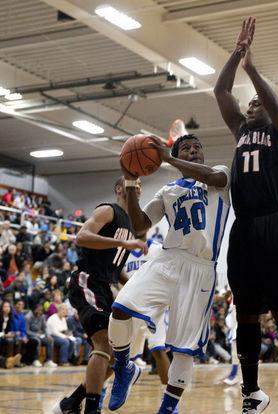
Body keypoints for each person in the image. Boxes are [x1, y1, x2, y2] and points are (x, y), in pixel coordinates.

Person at [214, 16, 278, 413]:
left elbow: (274, 107)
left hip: (277, 222)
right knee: (246, 313)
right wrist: (237, 55)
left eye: (258, 101)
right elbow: (220, 90)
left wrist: (253, 70)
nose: (252, 103)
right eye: (250, 101)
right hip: (245, 228)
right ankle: (252, 392)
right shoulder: (240, 131)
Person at [108, 133, 230, 414]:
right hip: (168, 259)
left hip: (200, 268)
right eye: (185, 148)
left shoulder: (218, 176)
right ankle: (124, 367)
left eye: (197, 147)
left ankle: (168, 408)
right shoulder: (168, 190)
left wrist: (168, 158)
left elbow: (212, 176)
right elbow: (140, 226)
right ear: (176, 155)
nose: (193, 151)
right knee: (121, 307)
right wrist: (130, 182)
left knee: (184, 349)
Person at [52, 177, 146, 414]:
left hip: (105, 286)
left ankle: (71, 403)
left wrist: (140, 289)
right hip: (87, 280)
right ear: (119, 189)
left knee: (116, 354)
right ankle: (91, 409)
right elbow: (82, 237)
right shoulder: (108, 210)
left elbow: (116, 269)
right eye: (133, 183)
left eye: (140, 185)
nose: (137, 187)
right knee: (104, 342)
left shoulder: (133, 225)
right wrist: (120, 242)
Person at [125, 237, 171, 387]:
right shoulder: (124, 250)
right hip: (131, 307)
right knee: (123, 356)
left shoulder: (158, 249)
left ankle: (169, 397)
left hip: (153, 308)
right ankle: (102, 389)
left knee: (158, 349)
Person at [26, 304, 57, 368]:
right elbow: (27, 331)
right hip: (30, 336)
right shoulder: (28, 317)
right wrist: (38, 335)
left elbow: (45, 328)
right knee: (37, 340)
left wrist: (47, 335)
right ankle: (35, 360)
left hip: (40, 335)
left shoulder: (42, 316)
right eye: (38, 310)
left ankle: (48, 361)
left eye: (41, 310)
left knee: (50, 340)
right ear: (34, 310)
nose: (40, 312)